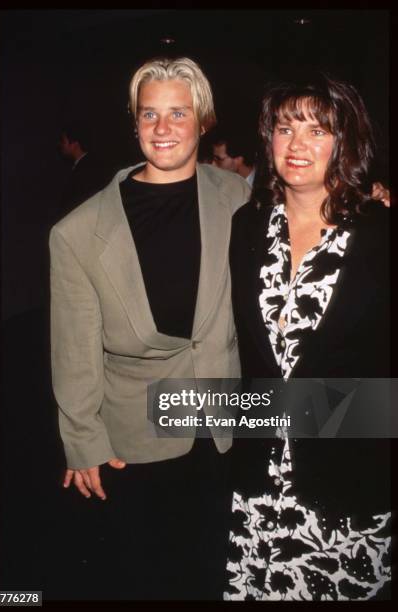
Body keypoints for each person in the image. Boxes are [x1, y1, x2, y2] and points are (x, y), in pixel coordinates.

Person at [50, 57, 250, 599]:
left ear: (202, 120)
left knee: (216, 571)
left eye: (178, 113)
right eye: (149, 115)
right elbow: (74, 352)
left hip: (227, 425)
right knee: (150, 578)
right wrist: (82, 440)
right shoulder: (78, 232)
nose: (163, 129)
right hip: (135, 435)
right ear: (135, 123)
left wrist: (371, 204)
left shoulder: (240, 198)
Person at [225, 73, 390, 600]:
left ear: (345, 143)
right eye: (284, 128)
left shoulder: (380, 235)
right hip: (256, 491)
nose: (297, 145)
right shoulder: (246, 227)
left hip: (348, 492)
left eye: (317, 131)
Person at [58, 120, 114, 215]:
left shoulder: (88, 169)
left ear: (74, 144)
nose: (60, 145)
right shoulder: (84, 165)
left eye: (64, 141)